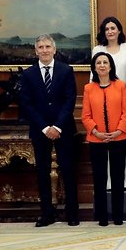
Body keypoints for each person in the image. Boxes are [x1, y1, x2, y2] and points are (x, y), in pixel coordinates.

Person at [19, 34, 79, 227]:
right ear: (36, 51)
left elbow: (70, 100)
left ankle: (72, 213)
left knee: (68, 170)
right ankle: (47, 214)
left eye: (47, 47)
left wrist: (57, 126)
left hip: (64, 129)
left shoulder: (66, 71)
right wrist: (45, 128)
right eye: (41, 47)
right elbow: (27, 105)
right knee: (42, 172)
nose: (44, 50)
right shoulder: (28, 74)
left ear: (54, 50)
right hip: (40, 130)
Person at [81, 52, 126, 226]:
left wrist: (118, 131)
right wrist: (96, 132)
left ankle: (118, 216)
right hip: (96, 140)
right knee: (99, 178)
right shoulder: (88, 88)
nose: (102, 65)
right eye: (99, 63)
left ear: (110, 66)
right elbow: (85, 116)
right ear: (94, 67)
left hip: (119, 137)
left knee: (117, 177)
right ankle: (102, 217)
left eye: (105, 62)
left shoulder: (121, 86)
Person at [91, 16, 126, 189]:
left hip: (124, 103)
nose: (110, 31)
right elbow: (92, 78)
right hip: (101, 102)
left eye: (113, 28)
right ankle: (107, 182)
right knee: (104, 141)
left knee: (124, 140)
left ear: (119, 30)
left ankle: (125, 180)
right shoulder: (97, 50)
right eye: (107, 29)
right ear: (103, 32)